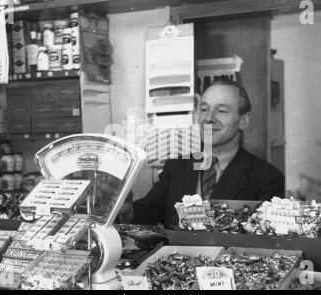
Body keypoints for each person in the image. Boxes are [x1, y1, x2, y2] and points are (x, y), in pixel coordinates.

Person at [119, 78, 285, 228]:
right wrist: (127, 210)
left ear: (243, 121)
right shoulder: (176, 166)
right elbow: (148, 212)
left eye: (222, 111)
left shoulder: (267, 178)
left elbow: (264, 239)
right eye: (204, 109)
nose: (209, 118)